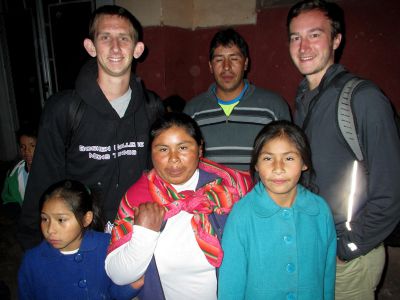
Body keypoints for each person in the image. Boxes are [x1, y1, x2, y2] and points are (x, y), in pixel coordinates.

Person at [18, 5, 164, 250]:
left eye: (124, 38)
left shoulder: (152, 108)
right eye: (105, 37)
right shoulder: (63, 109)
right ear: (91, 46)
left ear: (137, 49)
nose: (115, 47)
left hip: (135, 236)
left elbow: (159, 177)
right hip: (80, 240)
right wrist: (33, 248)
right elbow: (43, 181)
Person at [287, 1, 400, 298]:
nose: (303, 47)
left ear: (337, 40)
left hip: (349, 255)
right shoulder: (303, 99)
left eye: (314, 35)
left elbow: (392, 193)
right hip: (313, 248)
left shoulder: (363, 99)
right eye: (295, 37)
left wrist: (345, 249)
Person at [105, 112, 253, 300]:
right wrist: (144, 234)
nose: (174, 158)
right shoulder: (138, 198)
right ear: (151, 152)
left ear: (200, 149)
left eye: (183, 147)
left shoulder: (229, 188)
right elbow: (119, 275)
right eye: (163, 149)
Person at [218, 120, 336, 299]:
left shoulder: (320, 210)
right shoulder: (242, 215)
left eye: (289, 158)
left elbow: (327, 276)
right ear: (256, 165)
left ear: (304, 163)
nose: (278, 168)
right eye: (267, 158)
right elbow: (230, 285)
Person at [184, 28, 291, 171]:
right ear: (210, 66)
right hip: (208, 193)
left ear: (246, 63)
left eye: (234, 59)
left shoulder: (273, 107)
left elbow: (289, 158)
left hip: (259, 193)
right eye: (219, 59)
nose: (226, 67)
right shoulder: (192, 111)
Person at [18, 179, 138, 299]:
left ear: (86, 219)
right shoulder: (33, 261)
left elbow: (114, 292)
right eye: (45, 219)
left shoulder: (108, 247)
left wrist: (133, 285)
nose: (50, 230)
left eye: (61, 220)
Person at [1, 124, 37, 219]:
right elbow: (7, 198)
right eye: (22, 147)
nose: (27, 151)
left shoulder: (52, 169)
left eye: (32, 146)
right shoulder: (15, 173)